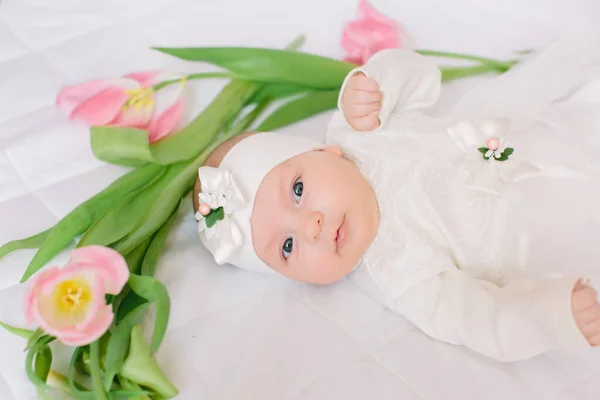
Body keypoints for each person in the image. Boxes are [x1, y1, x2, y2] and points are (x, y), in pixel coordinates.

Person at [192, 34, 600, 362]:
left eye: (298, 190)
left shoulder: (358, 128)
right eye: (287, 246)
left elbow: (422, 76)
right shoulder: (396, 275)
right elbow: (476, 319)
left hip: (542, 138)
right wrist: (551, 317)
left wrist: (376, 85)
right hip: (557, 231)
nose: (310, 226)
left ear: (322, 152)